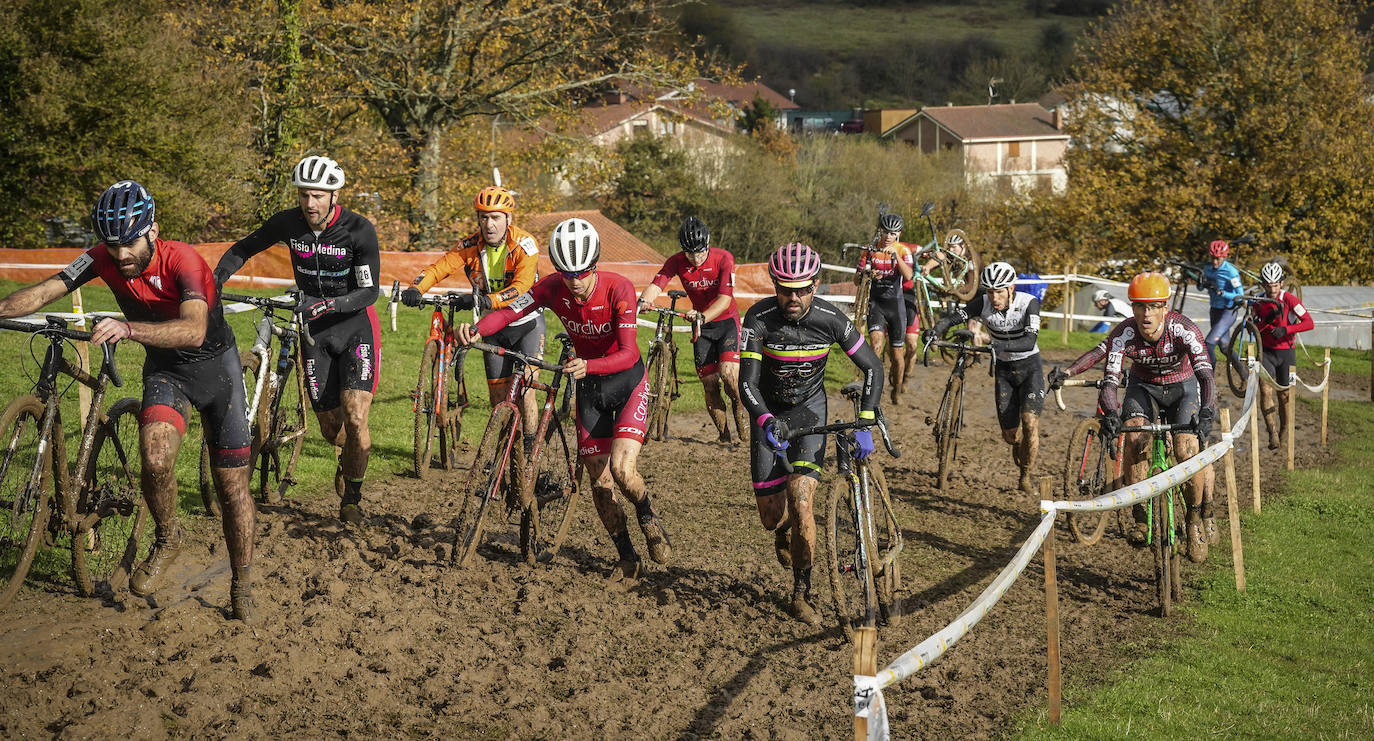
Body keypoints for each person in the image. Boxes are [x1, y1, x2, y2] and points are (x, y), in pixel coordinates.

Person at [0, 181, 256, 621]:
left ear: (153, 229)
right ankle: (168, 535)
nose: (121, 256)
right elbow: (49, 289)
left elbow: (194, 329)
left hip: (218, 372)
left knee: (232, 489)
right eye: (112, 245)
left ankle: (242, 580)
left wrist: (129, 328)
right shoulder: (102, 257)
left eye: (130, 243)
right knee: (154, 462)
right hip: (166, 371)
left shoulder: (185, 261)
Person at [458, 218, 671, 581]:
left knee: (622, 471)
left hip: (626, 381)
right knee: (599, 483)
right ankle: (627, 556)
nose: (575, 281)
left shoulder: (618, 289)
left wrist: (589, 364)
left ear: (595, 265)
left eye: (582, 272)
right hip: (588, 386)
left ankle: (647, 512)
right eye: (566, 273)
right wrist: (476, 328)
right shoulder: (552, 287)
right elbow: (512, 311)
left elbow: (627, 352)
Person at [214, 155, 381, 525]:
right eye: (304, 195)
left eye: (318, 196)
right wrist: (217, 278)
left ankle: (352, 498)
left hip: (355, 327)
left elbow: (370, 292)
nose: (310, 204)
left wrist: (332, 304)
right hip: (313, 332)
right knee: (331, 428)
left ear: (333, 196)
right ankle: (350, 453)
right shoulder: (289, 223)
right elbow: (245, 247)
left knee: (356, 416)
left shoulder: (358, 230)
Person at [740, 242, 884, 625]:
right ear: (774, 284)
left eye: (803, 288)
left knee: (802, 498)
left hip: (808, 414)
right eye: (786, 288)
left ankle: (802, 592)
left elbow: (872, 366)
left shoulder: (831, 318)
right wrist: (765, 420)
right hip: (769, 415)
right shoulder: (758, 318)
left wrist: (866, 419)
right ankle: (784, 528)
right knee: (772, 518)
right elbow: (747, 384)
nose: (794, 297)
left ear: (816, 284)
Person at [1048, 272, 1218, 562]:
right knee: (1134, 435)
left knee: (1186, 449)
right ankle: (1141, 516)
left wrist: (1207, 411)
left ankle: (1194, 517)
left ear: (1165, 307)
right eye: (1140, 306)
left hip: (1183, 388)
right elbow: (1110, 378)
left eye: (1153, 306)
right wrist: (1111, 411)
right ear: (1133, 308)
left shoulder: (1184, 329)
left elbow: (1205, 374)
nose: (1146, 313)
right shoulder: (1125, 333)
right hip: (1144, 388)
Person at [401, 185, 543, 455]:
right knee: (498, 399)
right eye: (483, 217)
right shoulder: (469, 245)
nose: (489, 224)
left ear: (508, 219)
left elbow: (522, 286)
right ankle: (503, 454)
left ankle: (529, 450)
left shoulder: (526, 244)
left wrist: (485, 300)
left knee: (527, 389)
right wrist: (416, 288)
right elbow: (439, 268)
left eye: (496, 217)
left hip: (527, 322)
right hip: (494, 326)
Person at [926, 262, 1045, 494]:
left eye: (999, 291)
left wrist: (996, 344)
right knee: (1011, 436)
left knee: (1030, 423)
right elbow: (954, 317)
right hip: (1003, 371)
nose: (994, 297)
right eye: (990, 292)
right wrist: (935, 330)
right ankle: (1019, 444)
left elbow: (1029, 341)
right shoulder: (982, 302)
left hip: (1030, 368)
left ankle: (1025, 476)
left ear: (1011, 288)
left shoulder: (1028, 303)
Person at [638, 216, 748, 443]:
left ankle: (739, 405)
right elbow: (658, 283)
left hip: (726, 322)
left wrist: (703, 316)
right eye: (690, 253)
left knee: (728, 376)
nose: (695, 258)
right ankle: (724, 435)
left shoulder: (723, 258)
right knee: (710, 384)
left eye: (699, 252)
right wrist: (643, 302)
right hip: (701, 327)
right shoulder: (676, 261)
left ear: (707, 245)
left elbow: (725, 300)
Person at [1252, 262, 1314, 450]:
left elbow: (1309, 323)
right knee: (1265, 390)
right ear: (1263, 285)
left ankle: (1284, 430)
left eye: (1275, 285)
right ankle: (1272, 432)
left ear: (1282, 284)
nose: (1272, 290)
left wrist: (1286, 329)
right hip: (1266, 352)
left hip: (1286, 352)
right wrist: (1256, 324)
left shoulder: (1290, 299)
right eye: (1268, 286)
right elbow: (1253, 324)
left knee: (1284, 395)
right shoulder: (1258, 301)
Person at [854, 212, 912, 403]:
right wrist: (868, 274)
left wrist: (897, 257)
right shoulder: (870, 250)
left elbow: (909, 276)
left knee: (896, 355)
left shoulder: (903, 250)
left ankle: (896, 387)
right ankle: (873, 388)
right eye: (885, 231)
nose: (888, 236)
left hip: (896, 305)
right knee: (876, 346)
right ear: (880, 231)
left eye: (893, 232)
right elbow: (857, 279)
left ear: (899, 234)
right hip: (876, 304)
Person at [1200, 239, 1245, 368]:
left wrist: (1222, 293)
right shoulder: (1207, 269)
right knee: (1225, 347)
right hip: (1214, 310)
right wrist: (1202, 283)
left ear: (1224, 257)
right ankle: (1244, 376)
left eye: (1218, 259)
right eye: (1212, 258)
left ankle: (1209, 382)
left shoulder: (1231, 272)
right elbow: (1200, 287)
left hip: (1228, 311)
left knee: (1208, 344)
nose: (1215, 262)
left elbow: (1240, 296)